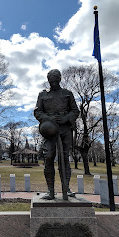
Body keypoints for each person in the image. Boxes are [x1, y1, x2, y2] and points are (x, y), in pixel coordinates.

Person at [34, 69, 79, 200]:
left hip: (65, 129)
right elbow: (37, 112)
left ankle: (66, 188)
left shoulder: (67, 93)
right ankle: (50, 190)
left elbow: (75, 111)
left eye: (55, 80)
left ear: (59, 79)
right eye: (51, 80)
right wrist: (48, 119)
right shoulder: (42, 95)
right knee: (48, 157)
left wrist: (66, 118)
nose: (53, 83)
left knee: (64, 158)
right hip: (49, 130)